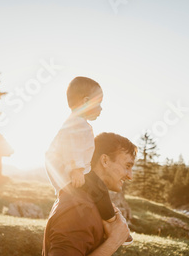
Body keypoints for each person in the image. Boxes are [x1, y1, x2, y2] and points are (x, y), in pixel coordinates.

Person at [38, 132, 137, 256]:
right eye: (127, 166)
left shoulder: (91, 202)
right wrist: (114, 241)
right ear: (105, 161)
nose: (130, 176)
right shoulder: (78, 207)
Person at [45, 76, 132, 243]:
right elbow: (73, 148)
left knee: (96, 196)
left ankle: (110, 223)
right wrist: (76, 169)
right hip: (75, 172)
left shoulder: (76, 123)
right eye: (98, 103)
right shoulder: (78, 125)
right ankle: (115, 225)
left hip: (71, 173)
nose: (101, 109)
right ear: (86, 102)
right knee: (100, 190)